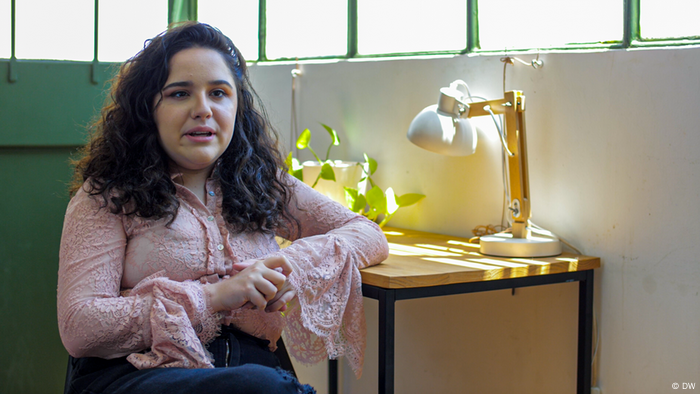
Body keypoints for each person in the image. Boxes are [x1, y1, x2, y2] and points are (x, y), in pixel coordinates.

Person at [57, 22, 389, 394]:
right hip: (136, 374)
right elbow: (79, 326)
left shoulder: (262, 183)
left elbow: (366, 233)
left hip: (254, 371)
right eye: (180, 94)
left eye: (218, 93)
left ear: (237, 106)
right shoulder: (106, 196)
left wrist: (288, 267)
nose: (203, 109)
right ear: (148, 109)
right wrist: (216, 295)